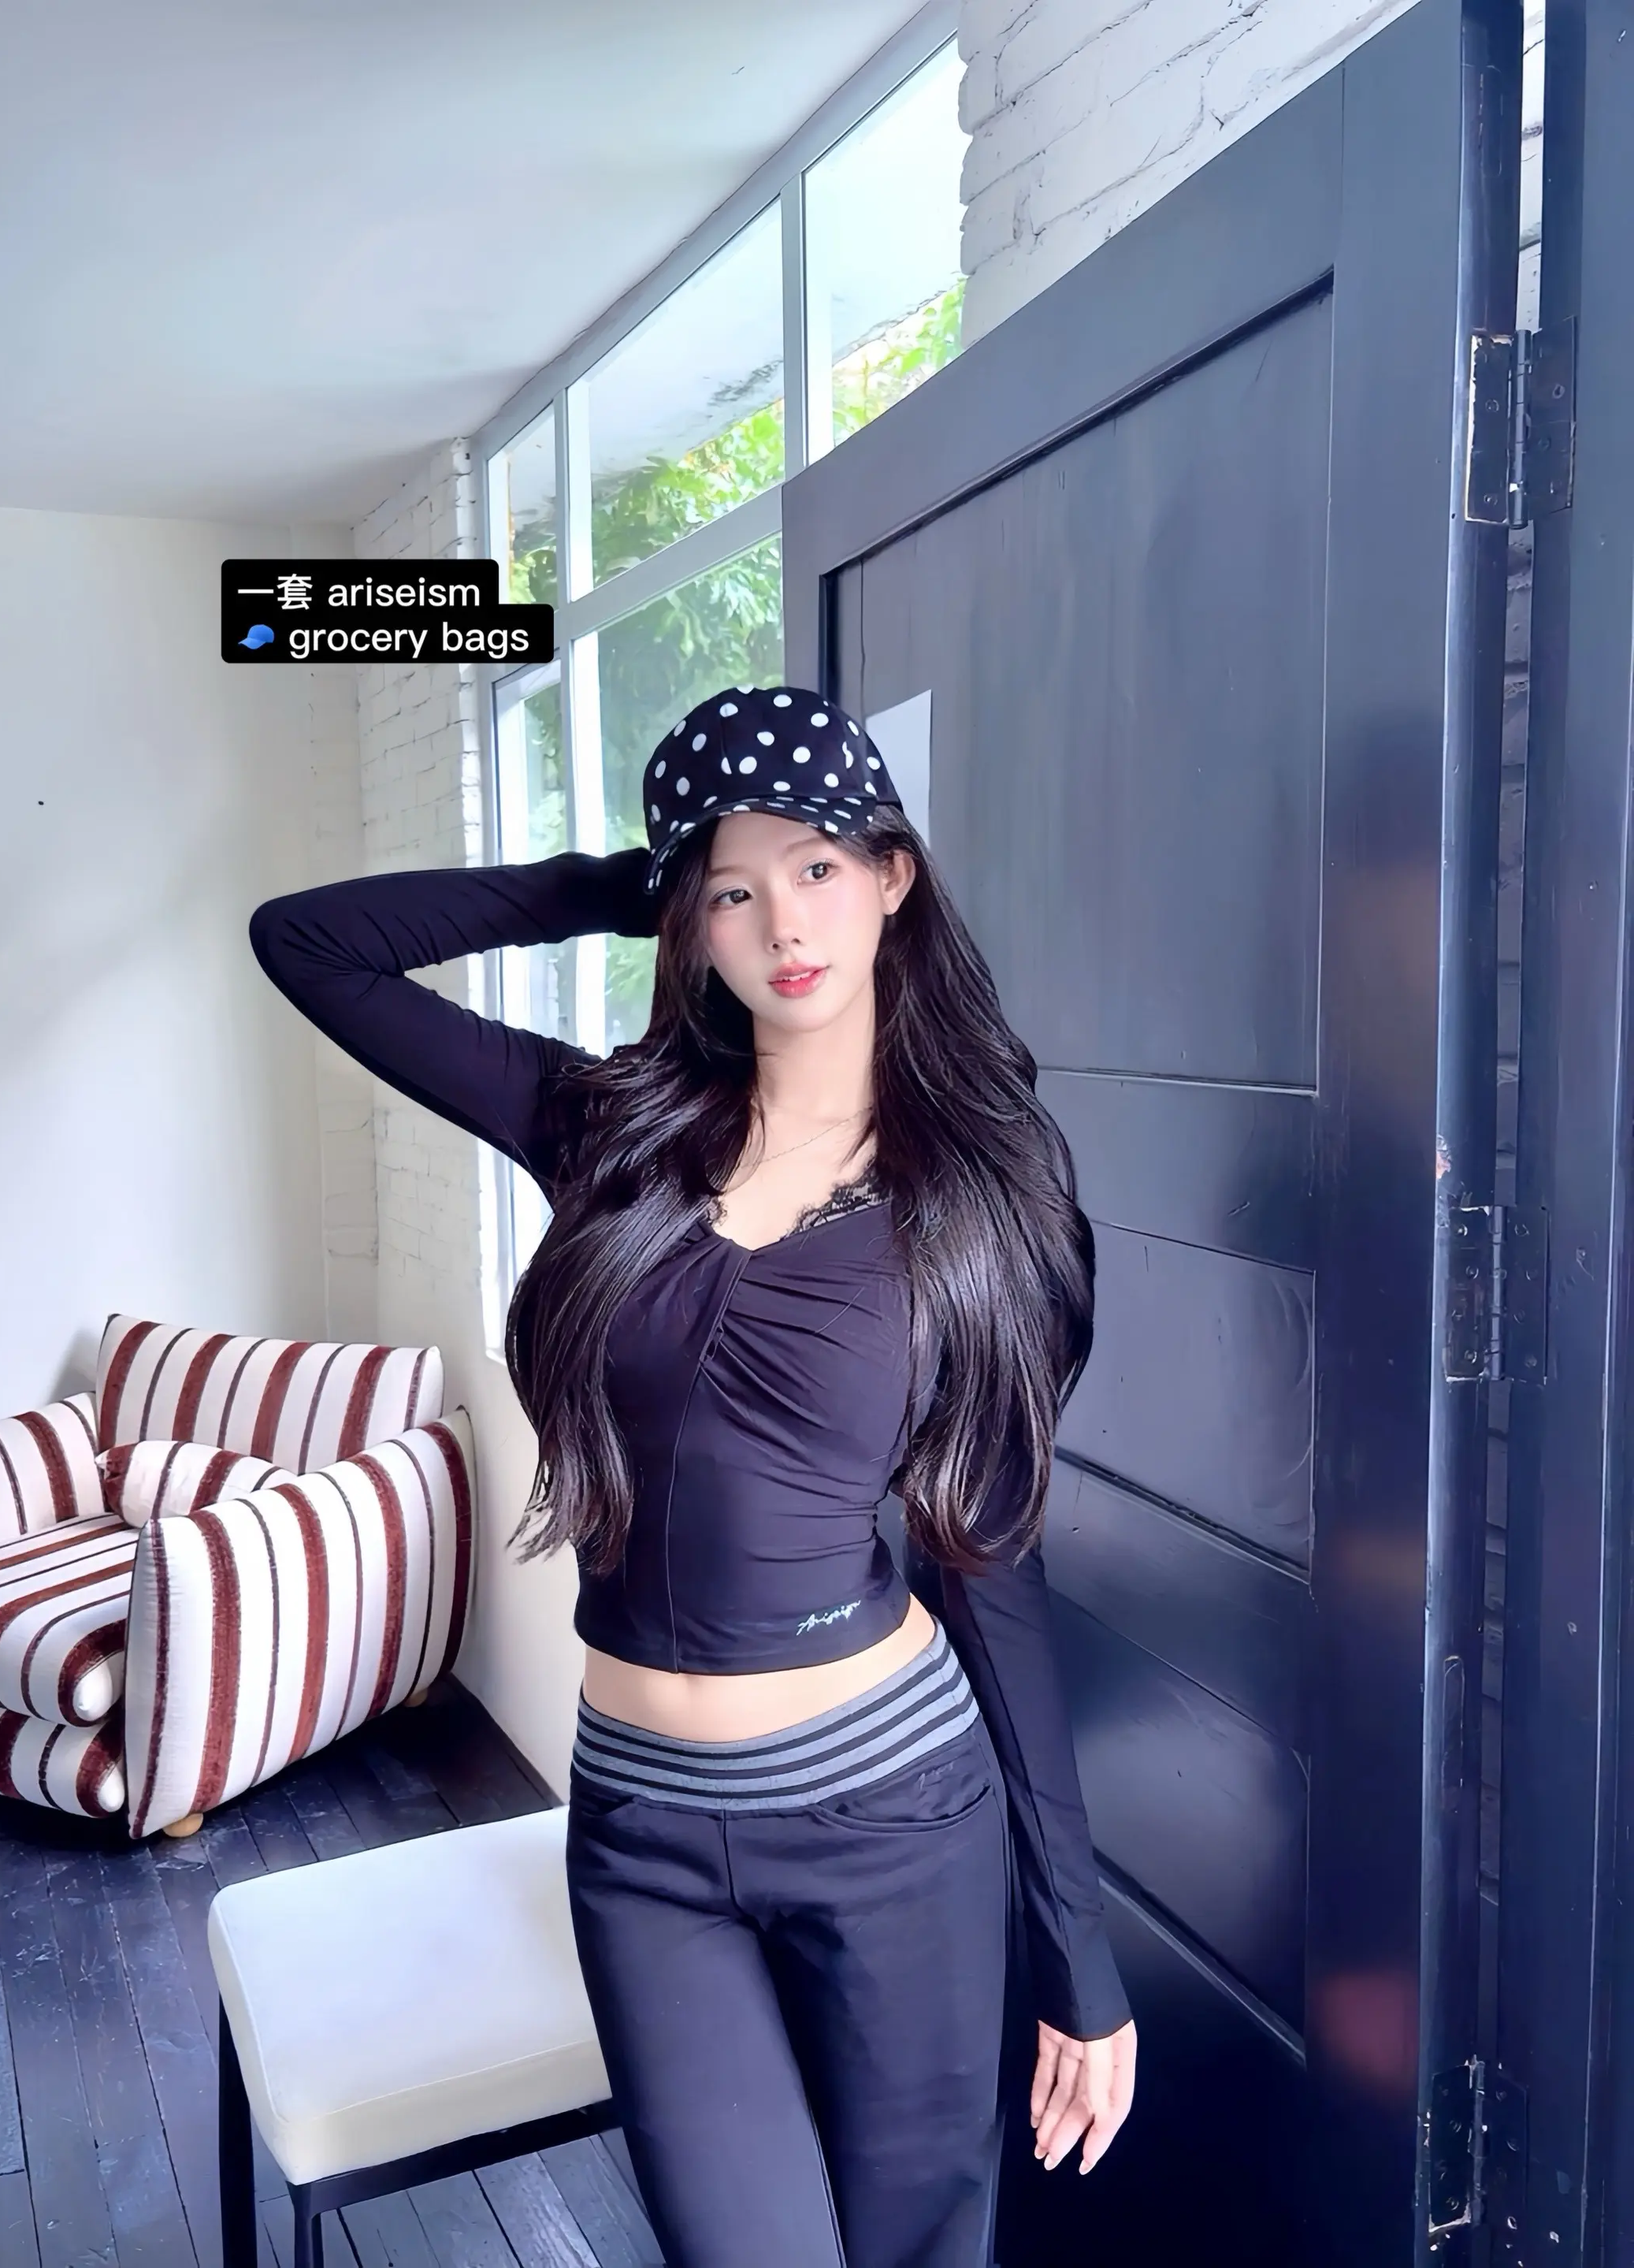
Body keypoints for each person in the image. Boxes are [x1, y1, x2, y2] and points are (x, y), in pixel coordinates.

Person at [248, 682, 1138, 2268]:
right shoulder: (609, 1131)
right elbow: (308, 943)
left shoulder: (974, 1194)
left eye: (817, 866)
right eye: (734, 890)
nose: (783, 922)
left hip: (892, 1811)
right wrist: (614, 882)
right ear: (692, 922)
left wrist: (1081, 1944)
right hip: (643, 1833)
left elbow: (992, 1564)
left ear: (892, 874)